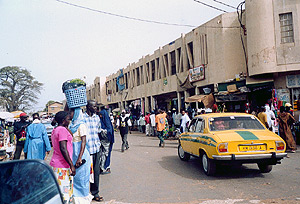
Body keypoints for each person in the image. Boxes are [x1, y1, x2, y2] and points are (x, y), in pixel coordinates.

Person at [50, 111, 75, 204]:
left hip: (57, 164)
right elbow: (63, 148)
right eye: (68, 120)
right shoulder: (62, 130)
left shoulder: (57, 129)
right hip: (62, 165)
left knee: (62, 191)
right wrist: (71, 165)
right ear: (63, 120)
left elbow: (71, 136)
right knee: (65, 193)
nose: (70, 121)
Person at [69, 108, 93, 203]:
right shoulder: (72, 125)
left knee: (82, 179)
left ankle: (83, 200)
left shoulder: (82, 125)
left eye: (71, 112)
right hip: (73, 154)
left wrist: (80, 157)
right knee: (75, 178)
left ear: (76, 114)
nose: (69, 114)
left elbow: (83, 141)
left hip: (81, 155)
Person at [82, 100, 104, 202]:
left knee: (96, 172)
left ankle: (95, 192)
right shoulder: (82, 118)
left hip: (96, 148)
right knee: (86, 173)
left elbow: (98, 131)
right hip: (86, 150)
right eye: (94, 107)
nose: (96, 108)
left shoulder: (96, 118)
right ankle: (85, 193)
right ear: (88, 107)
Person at [99, 107, 114, 174]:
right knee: (102, 154)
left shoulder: (107, 123)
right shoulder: (102, 122)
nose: (100, 116)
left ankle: (106, 167)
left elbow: (109, 131)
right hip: (102, 142)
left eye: (101, 115)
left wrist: (101, 131)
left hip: (107, 141)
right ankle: (102, 167)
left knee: (106, 154)